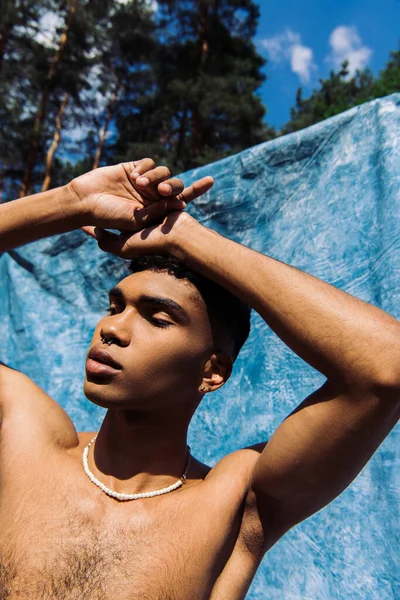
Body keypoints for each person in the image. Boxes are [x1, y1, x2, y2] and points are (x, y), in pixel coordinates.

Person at [0, 157, 399, 600]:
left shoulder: (235, 502)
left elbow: (388, 366)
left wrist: (185, 238)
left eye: (157, 318)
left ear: (211, 372)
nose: (111, 328)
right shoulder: (24, 438)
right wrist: (74, 203)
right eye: (115, 307)